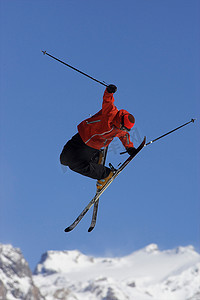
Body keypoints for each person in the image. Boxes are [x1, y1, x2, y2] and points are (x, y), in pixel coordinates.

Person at [60, 84, 136, 191]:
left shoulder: (121, 130)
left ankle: (105, 174)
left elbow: (125, 136)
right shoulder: (111, 113)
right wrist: (109, 91)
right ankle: (95, 158)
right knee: (63, 159)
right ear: (121, 120)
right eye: (123, 127)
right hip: (82, 135)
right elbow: (108, 100)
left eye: (126, 129)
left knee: (74, 164)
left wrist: (130, 148)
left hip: (91, 146)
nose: (123, 130)